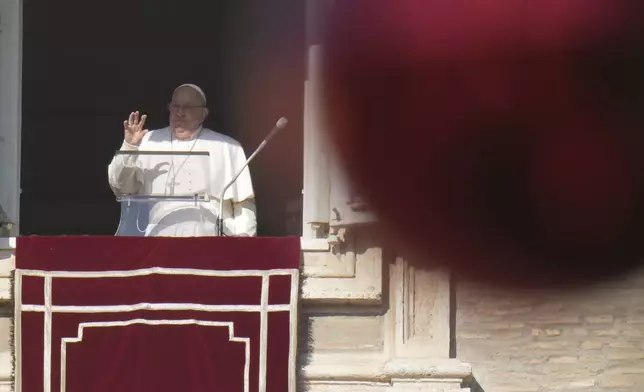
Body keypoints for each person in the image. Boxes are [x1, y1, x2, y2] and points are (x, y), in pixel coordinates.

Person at [107, 84, 257, 237]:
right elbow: (121, 187)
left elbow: (242, 203)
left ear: (204, 113)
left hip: (212, 240)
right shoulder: (147, 141)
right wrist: (129, 147)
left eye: (188, 107)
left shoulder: (227, 147)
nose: (180, 112)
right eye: (175, 106)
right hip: (159, 240)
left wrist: (244, 238)